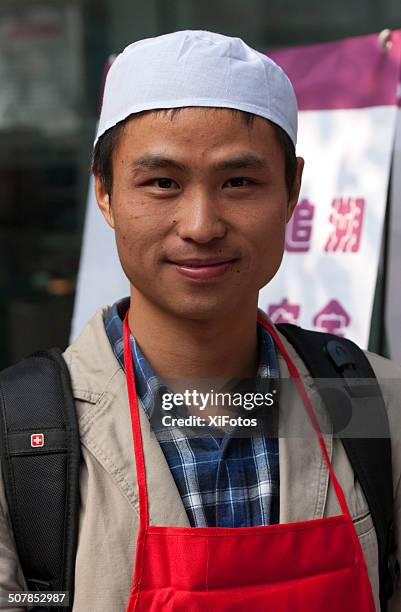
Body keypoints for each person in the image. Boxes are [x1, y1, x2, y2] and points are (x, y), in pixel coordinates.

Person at [0, 29, 400, 611]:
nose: (201, 225)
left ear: (292, 192)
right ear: (105, 193)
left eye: (239, 182)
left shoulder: (370, 402)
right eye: (162, 182)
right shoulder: (23, 433)